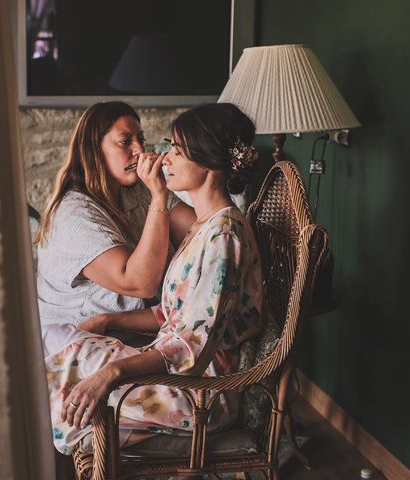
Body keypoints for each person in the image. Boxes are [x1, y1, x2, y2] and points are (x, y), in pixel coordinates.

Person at [45, 102, 265, 455]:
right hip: (178, 370)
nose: (162, 157)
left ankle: (200, 445)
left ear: (208, 163)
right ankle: (167, 445)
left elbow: (191, 345)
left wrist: (114, 372)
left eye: (176, 150)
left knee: (64, 382)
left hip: (201, 392)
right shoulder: (204, 228)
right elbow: (174, 313)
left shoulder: (223, 237)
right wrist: (110, 320)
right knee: (57, 359)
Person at [35, 101, 196, 356]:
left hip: (129, 335)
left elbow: (198, 229)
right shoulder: (74, 215)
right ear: (94, 150)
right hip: (76, 344)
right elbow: (140, 283)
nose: (139, 150)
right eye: (125, 142)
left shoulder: (135, 190)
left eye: (141, 140)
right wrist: (158, 196)